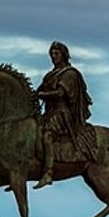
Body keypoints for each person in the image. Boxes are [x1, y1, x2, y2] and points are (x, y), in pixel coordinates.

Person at [33, 41, 98, 188]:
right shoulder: (50, 75)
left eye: (56, 54)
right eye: (52, 54)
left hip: (62, 114)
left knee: (47, 136)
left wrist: (43, 94)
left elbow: (61, 93)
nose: (53, 56)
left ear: (64, 55)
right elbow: (38, 90)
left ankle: (48, 173)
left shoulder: (69, 74)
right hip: (49, 113)